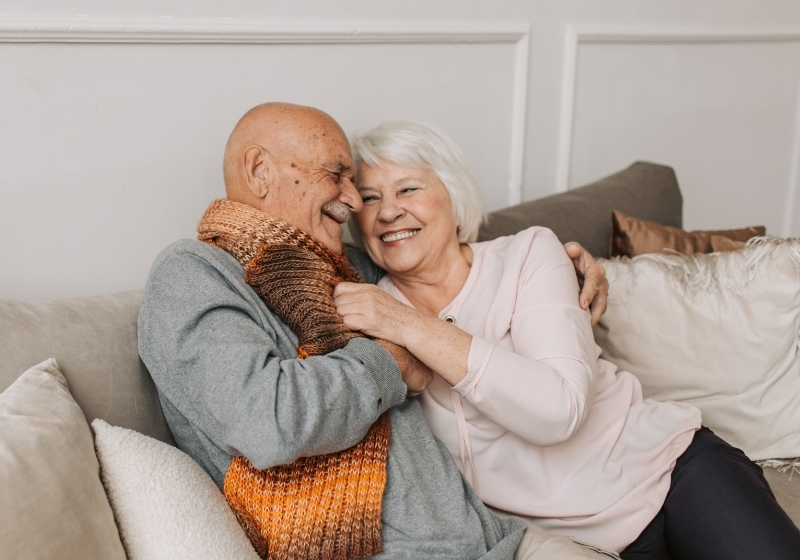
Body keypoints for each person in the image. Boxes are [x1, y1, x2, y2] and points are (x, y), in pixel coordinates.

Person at [138, 102, 615, 560]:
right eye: (338, 175)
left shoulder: (344, 266)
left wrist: (565, 264)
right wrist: (393, 362)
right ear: (259, 170)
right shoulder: (192, 274)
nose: (352, 199)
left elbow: (438, 251)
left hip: (495, 537)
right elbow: (267, 422)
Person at [334, 120, 800, 559]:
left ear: (453, 197)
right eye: (369, 199)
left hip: (670, 473)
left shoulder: (529, 254)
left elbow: (558, 411)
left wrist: (413, 326)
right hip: (561, 543)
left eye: (409, 188)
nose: (388, 211)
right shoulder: (366, 307)